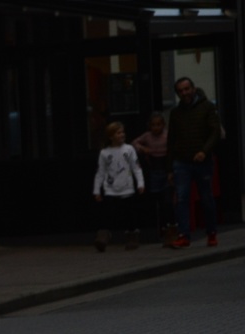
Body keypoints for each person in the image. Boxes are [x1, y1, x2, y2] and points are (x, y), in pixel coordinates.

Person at [166, 76, 221, 248]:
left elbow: (215, 132)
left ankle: (211, 233)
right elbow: (171, 140)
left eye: (186, 89)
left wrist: (204, 151)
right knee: (181, 198)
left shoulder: (207, 107)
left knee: (206, 197)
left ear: (193, 88)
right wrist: (170, 168)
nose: (184, 93)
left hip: (202, 161)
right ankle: (184, 235)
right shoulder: (175, 113)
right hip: (181, 161)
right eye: (180, 91)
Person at [92, 122, 145, 252]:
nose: (122, 135)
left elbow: (136, 167)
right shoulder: (105, 153)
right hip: (111, 189)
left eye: (123, 132)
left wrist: (140, 183)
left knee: (130, 215)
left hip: (127, 188)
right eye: (118, 133)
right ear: (111, 136)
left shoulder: (129, 149)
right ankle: (103, 236)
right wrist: (97, 190)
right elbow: (101, 172)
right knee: (107, 214)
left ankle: (132, 237)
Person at [131, 112, 176, 247]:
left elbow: (174, 149)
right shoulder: (147, 136)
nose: (156, 128)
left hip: (166, 168)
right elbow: (134, 143)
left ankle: (171, 229)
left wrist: (172, 170)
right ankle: (160, 229)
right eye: (153, 125)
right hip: (154, 170)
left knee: (167, 201)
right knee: (156, 200)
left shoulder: (167, 136)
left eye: (159, 125)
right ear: (149, 126)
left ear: (163, 125)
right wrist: (143, 148)